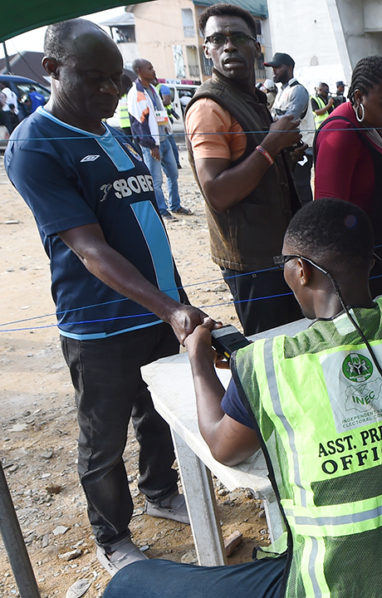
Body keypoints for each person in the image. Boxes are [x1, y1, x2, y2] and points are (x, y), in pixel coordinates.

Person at [104, 198, 382, 596]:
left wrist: (199, 360)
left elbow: (223, 447)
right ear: (370, 261)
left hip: (330, 585)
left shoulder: (268, 365)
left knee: (131, 582)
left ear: (301, 271)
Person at [4, 18, 208, 575]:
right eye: (93, 78)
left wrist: (175, 300)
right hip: (101, 326)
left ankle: (161, 493)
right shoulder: (35, 145)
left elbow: (145, 227)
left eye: (115, 80)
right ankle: (111, 535)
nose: (109, 92)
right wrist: (170, 308)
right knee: (104, 437)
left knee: (159, 415)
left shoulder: (110, 131)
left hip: (157, 310)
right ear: (51, 69)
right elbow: (90, 249)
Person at [185, 3, 304, 335]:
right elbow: (218, 193)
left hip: (277, 252)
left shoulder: (250, 98)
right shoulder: (209, 107)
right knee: (274, 347)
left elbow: (252, 163)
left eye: (238, 37)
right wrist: (272, 146)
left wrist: (285, 156)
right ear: (206, 49)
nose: (229, 46)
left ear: (256, 46)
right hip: (252, 263)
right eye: (218, 39)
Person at [315, 56, 382, 296]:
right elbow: (327, 217)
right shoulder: (340, 134)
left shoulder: (369, 123)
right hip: (358, 274)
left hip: (379, 263)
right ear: (358, 97)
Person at [128, 59, 189, 219]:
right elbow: (140, 124)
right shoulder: (137, 93)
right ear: (140, 71)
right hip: (152, 145)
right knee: (156, 180)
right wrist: (151, 145)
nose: (153, 70)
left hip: (164, 138)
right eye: (150, 68)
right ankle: (161, 210)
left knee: (173, 174)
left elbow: (159, 113)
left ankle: (175, 205)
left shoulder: (153, 89)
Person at [266, 51, 314, 206]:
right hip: (289, 149)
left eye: (277, 67)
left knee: (301, 190)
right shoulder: (283, 91)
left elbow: (288, 121)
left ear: (290, 68)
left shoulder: (298, 90)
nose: (274, 71)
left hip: (302, 149)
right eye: (272, 67)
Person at [156, 84, 182, 169]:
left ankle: (176, 162)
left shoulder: (162, 87)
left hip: (165, 119)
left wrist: (154, 104)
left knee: (169, 142)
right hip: (160, 118)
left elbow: (167, 101)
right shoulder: (153, 89)